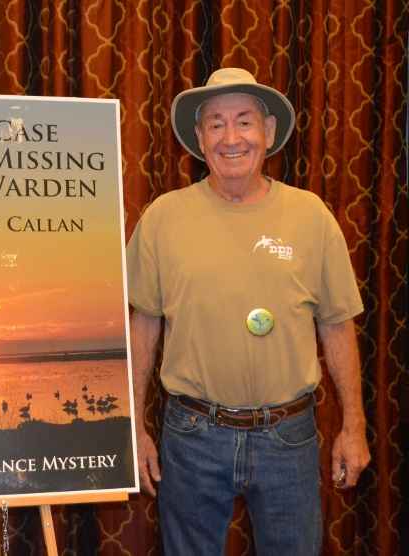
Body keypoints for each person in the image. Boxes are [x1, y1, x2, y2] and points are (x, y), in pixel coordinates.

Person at [126, 67, 371, 555]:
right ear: (199, 138)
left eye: (244, 121)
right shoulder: (162, 218)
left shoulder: (312, 216)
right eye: (215, 123)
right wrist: (132, 428)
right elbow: (143, 325)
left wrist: (354, 426)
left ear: (269, 133)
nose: (231, 137)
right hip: (192, 436)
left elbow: (338, 325)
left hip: (289, 438)